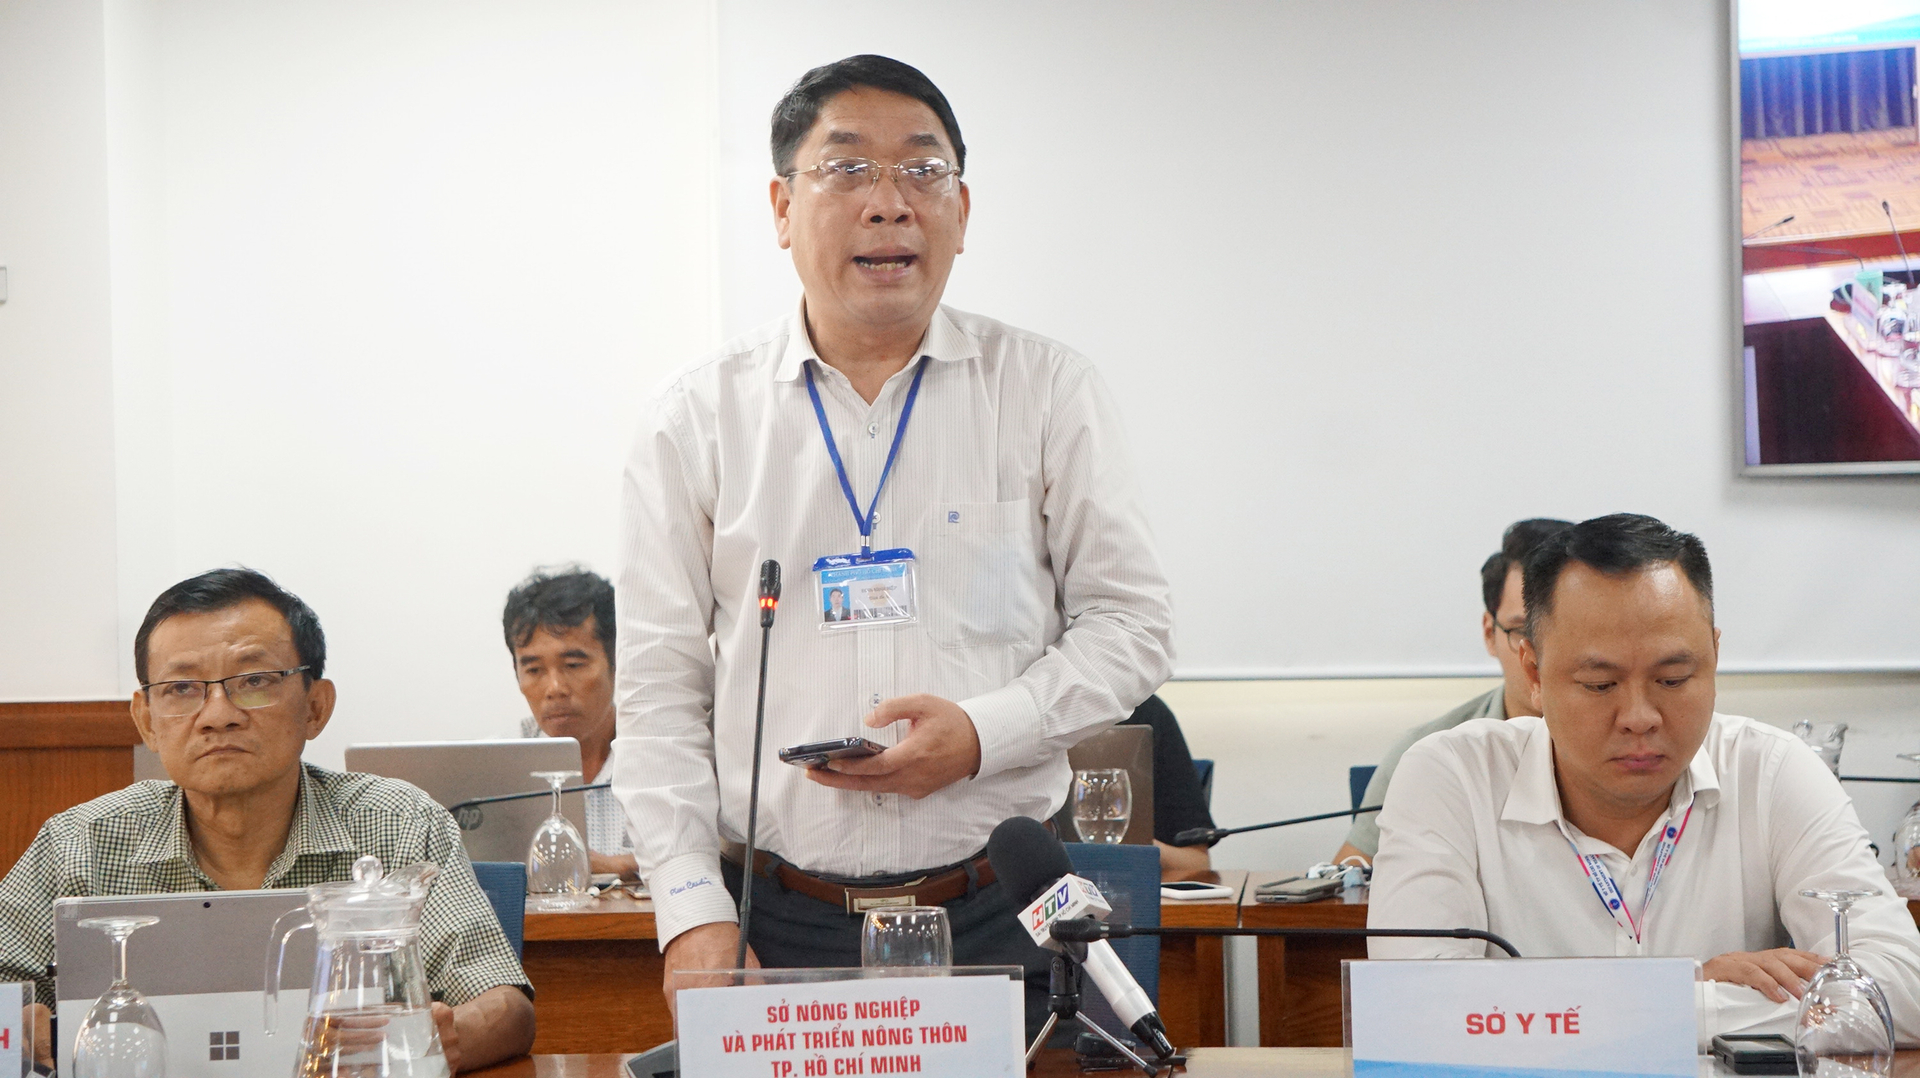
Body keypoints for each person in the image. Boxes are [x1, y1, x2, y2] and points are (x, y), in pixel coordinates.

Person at [613, 54, 1174, 1028]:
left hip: (1006, 908)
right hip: (778, 918)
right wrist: (692, 910)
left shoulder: (1045, 392)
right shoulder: (696, 421)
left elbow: (1131, 627)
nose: (890, 203)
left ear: (964, 208)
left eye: (923, 170)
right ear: (783, 207)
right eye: (849, 170)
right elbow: (659, 690)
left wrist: (984, 734)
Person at [1368, 514, 1920, 1046]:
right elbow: (1416, 1009)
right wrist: (1689, 989)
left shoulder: (1772, 772)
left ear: (1715, 655)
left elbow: (1902, 990)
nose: (1640, 716)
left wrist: (1646, 1008)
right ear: (1533, 673)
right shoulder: (1451, 778)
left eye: (1673, 678)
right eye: (1600, 684)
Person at [0, 569, 536, 1073]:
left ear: (315, 707)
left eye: (253, 681)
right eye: (182, 689)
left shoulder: (399, 823)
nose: (218, 714)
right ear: (146, 721)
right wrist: (19, 1028)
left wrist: (447, 1037)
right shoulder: (81, 842)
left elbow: (506, 1005)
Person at [1334, 517, 1571, 865]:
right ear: (1490, 633)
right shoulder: (1427, 753)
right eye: (1523, 631)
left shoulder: (1638, 745)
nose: (1541, 652)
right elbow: (1351, 882)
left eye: (1565, 630)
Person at [505, 566, 637, 877]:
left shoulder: (660, 754)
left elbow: (711, 854)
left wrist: (616, 867)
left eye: (573, 664)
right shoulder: (501, 767)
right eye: (534, 670)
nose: (554, 689)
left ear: (617, 662)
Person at [1052, 694, 1217, 874]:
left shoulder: (1141, 709)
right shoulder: (1022, 722)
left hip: (1126, 891)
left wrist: (1127, 847)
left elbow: (1196, 862)